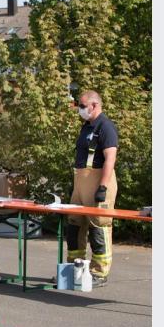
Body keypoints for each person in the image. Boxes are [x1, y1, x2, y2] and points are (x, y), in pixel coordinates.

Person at [67, 90, 118, 288]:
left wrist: (102, 186)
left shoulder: (105, 127)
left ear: (94, 105)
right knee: (74, 224)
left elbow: (110, 158)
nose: (79, 109)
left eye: (82, 106)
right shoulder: (87, 126)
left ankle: (99, 272)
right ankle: (74, 269)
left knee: (99, 225)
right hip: (81, 180)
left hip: (97, 179)